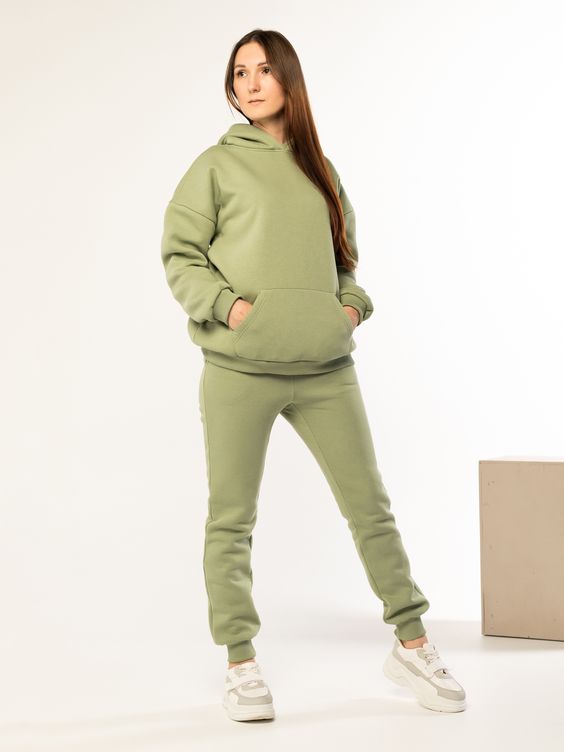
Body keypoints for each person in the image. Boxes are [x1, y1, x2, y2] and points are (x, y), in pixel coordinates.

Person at [160, 28, 466, 721]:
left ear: (289, 80)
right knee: (231, 519)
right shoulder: (214, 166)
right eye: (240, 72)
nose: (250, 83)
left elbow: (345, 264)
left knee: (370, 509)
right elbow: (180, 255)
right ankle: (240, 661)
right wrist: (232, 310)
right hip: (239, 369)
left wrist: (349, 310)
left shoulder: (321, 169)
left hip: (327, 369)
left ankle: (413, 644)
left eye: (264, 70)